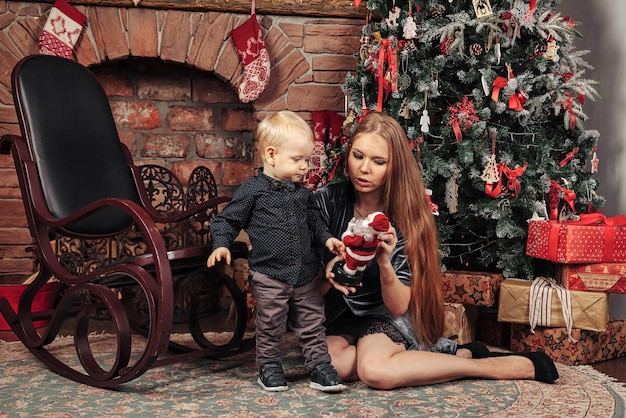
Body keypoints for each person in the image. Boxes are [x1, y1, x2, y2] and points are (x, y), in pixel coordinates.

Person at [314, 111, 559, 389]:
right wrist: (329, 271)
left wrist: (385, 264)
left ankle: (486, 366)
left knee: (374, 371)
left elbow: (397, 306)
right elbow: (305, 284)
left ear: (394, 166)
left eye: (378, 161)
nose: (364, 168)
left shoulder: (406, 216)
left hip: (388, 313)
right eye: (358, 156)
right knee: (332, 365)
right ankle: (453, 353)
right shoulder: (325, 202)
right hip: (338, 315)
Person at [207, 110, 347, 393]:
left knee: (312, 322)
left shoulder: (304, 195)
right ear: (271, 155)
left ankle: (319, 366)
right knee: (270, 323)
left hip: (306, 272)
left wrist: (329, 240)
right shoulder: (252, 191)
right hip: (269, 273)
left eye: (306, 160)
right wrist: (221, 244)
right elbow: (227, 220)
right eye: (298, 160)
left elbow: (316, 224)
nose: (305, 167)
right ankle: (269, 366)